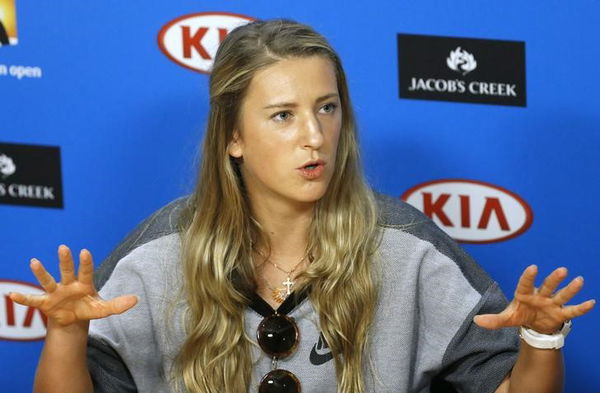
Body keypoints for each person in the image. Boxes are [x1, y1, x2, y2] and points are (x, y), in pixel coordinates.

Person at [9, 19, 595, 393]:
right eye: (284, 115)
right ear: (232, 137)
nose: (314, 136)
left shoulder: (405, 244)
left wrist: (542, 343)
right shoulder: (162, 251)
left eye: (328, 108)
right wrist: (63, 334)